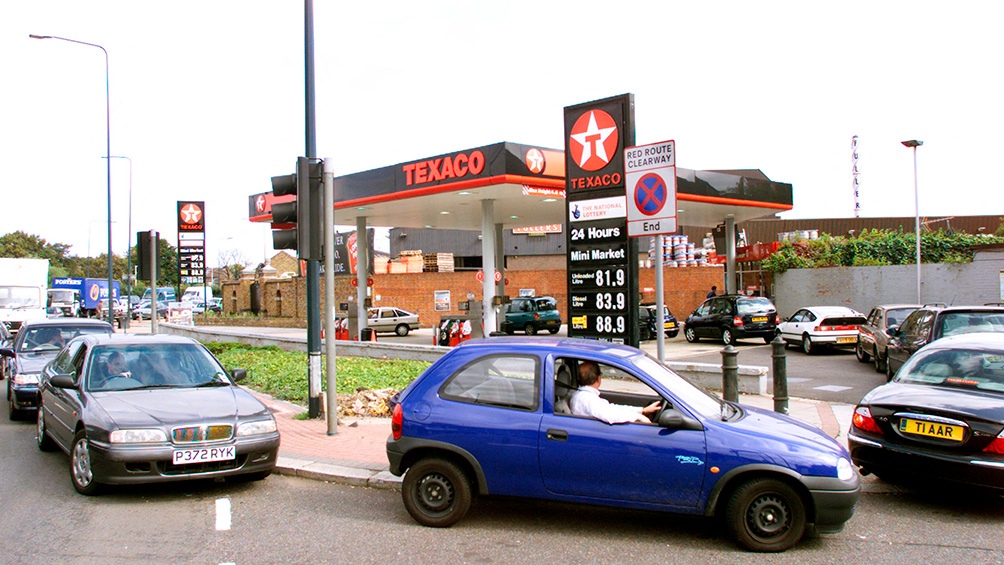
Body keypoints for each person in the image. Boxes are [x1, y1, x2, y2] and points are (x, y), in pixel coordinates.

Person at [568, 361, 661, 424]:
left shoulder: (581, 395)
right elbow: (608, 415)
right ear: (599, 378)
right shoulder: (588, 399)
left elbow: (611, 408)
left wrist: (642, 410)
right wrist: (638, 417)